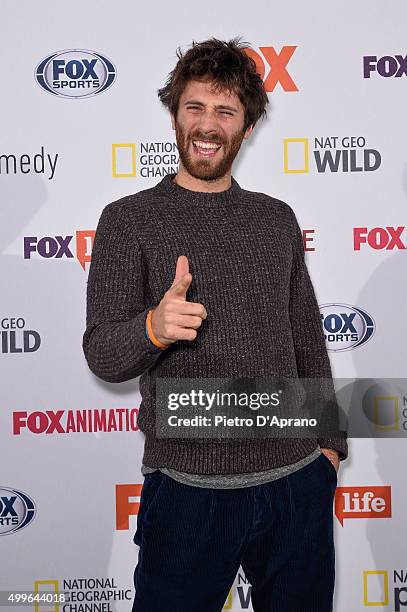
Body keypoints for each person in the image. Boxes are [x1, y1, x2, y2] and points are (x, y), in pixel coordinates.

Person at [82, 37, 348, 612]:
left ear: (246, 127)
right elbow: (102, 354)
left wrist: (328, 446)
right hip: (186, 494)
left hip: (295, 484)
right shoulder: (128, 221)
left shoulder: (276, 219)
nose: (208, 124)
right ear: (175, 115)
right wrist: (153, 328)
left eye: (225, 111)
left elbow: (306, 336)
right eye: (196, 107)